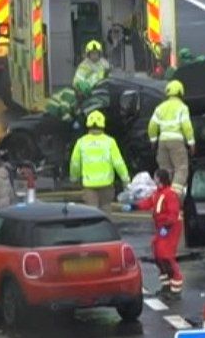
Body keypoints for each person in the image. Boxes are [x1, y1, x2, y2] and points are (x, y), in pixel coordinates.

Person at [123, 169, 183, 299]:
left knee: (165, 255)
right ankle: (167, 285)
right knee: (157, 253)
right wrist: (134, 207)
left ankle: (176, 287)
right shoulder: (158, 194)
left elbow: (173, 214)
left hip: (170, 227)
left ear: (160, 179)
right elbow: (148, 203)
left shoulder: (169, 195)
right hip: (163, 227)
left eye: (155, 178)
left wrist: (167, 227)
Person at [69, 111, 130, 212]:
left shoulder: (81, 142)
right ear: (103, 125)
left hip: (89, 185)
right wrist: (125, 179)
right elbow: (118, 162)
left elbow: (75, 163)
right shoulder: (109, 142)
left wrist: (74, 178)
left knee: (92, 213)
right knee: (106, 210)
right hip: (106, 184)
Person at [148, 80, 195, 196]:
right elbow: (187, 127)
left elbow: (152, 126)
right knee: (181, 168)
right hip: (176, 142)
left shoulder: (160, 107)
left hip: (162, 142)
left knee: (165, 171)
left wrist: (153, 140)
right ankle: (174, 196)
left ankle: (163, 195)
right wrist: (191, 142)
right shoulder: (182, 107)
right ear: (181, 92)